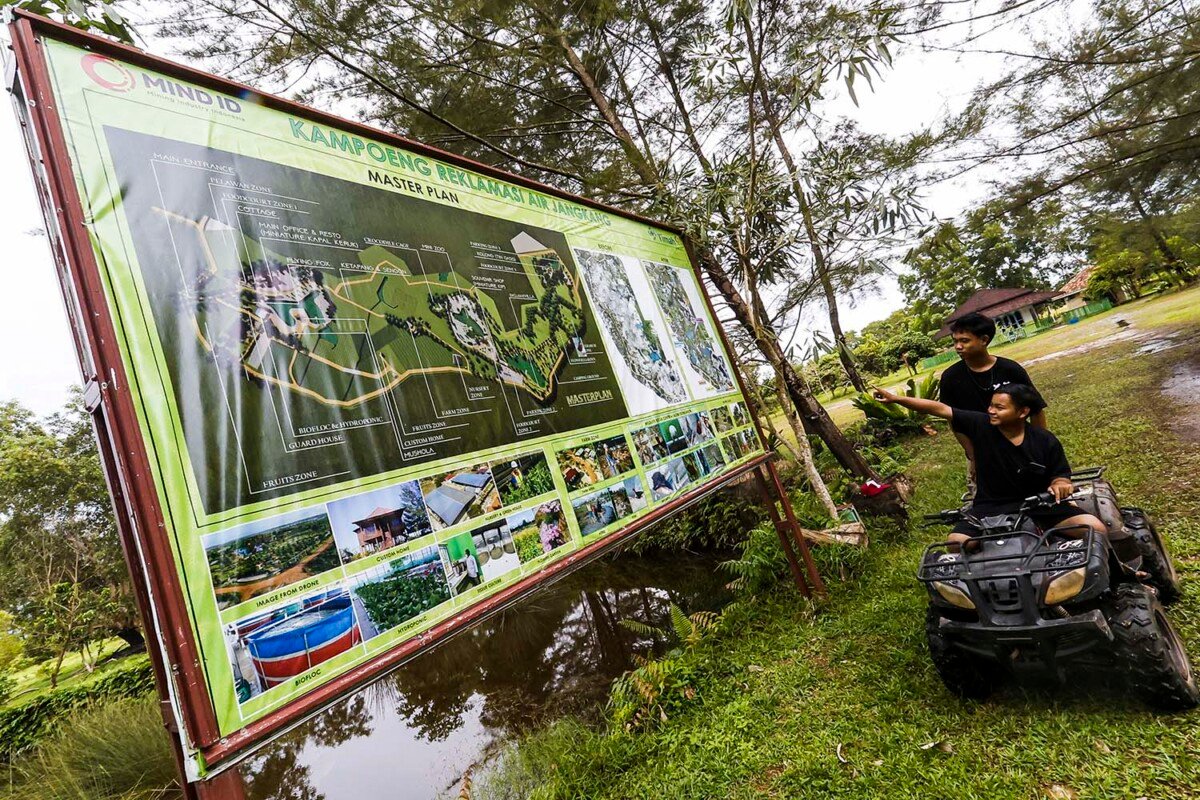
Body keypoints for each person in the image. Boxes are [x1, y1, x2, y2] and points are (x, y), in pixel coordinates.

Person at [872, 382, 1105, 551]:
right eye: (991, 405)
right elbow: (938, 408)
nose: (991, 411)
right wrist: (896, 399)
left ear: (1023, 412)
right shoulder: (980, 425)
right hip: (990, 507)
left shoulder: (1044, 440)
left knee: (1095, 528)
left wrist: (1061, 484)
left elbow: (1060, 475)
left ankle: (1117, 577)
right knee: (956, 543)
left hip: (1040, 505)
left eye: (1000, 407)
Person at [939, 312, 1047, 494]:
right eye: (955, 341)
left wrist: (1040, 446)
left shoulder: (1010, 369)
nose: (958, 346)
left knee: (1038, 491)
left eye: (964, 341)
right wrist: (973, 456)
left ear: (984, 340)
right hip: (982, 448)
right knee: (988, 498)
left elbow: (1035, 409)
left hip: (1020, 441)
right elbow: (955, 422)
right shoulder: (951, 378)